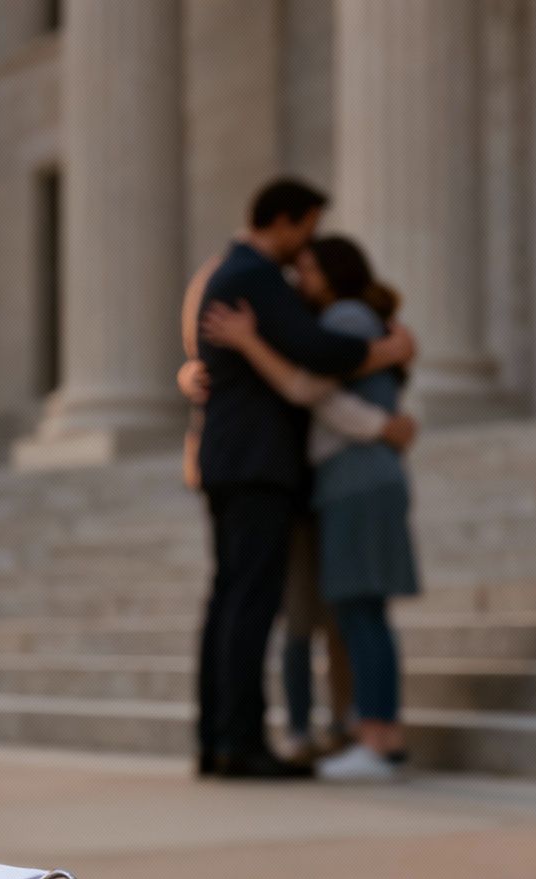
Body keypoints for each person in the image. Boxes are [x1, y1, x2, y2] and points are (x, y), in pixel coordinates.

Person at [188, 178, 416, 779]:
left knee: (232, 601)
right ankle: (239, 742)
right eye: (306, 230)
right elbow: (316, 352)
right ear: (284, 222)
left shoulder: (233, 274)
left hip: (234, 461)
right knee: (249, 603)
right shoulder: (255, 275)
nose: (305, 248)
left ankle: (221, 740)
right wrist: (385, 353)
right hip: (256, 464)